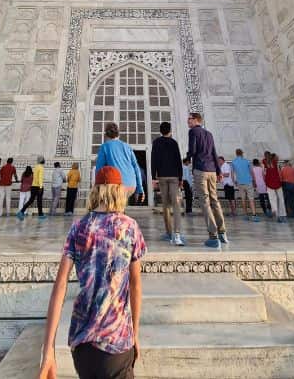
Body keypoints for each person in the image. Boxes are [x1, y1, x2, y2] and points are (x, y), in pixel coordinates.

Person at [37, 167, 145, 379]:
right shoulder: (129, 227)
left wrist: (48, 349)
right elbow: (135, 285)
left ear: (96, 191)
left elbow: (59, 288)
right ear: (118, 191)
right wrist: (135, 334)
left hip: (82, 345)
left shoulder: (79, 227)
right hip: (117, 342)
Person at [185, 112, 227, 249]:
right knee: (215, 200)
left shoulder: (193, 132)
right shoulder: (209, 134)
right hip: (212, 170)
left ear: (196, 120)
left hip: (201, 169)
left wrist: (186, 159)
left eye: (189, 119)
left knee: (205, 201)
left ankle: (213, 235)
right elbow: (214, 153)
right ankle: (222, 232)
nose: (188, 121)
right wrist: (219, 171)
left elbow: (193, 150)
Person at [151, 121, 184, 246]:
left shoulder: (156, 142)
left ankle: (169, 232)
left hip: (162, 176)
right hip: (174, 176)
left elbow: (154, 160)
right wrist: (181, 178)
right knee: (176, 204)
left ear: (160, 131)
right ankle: (177, 234)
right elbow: (178, 161)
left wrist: (154, 177)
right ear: (169, 131)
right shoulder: (174, 143)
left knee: (166, 205)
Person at [94, 123, 144, 204]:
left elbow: (99, 169)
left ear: (106, 135)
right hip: (131, 185)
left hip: (116, 185)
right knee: (120, 206)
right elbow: (136, 168)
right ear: (118, 134)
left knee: (112, 208)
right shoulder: (127, 146)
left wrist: (97, 187)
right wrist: (140, 189)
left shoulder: (105, 146)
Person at [230, 149, 258, 222]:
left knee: (243, 199)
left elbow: (232, 173)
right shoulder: (247, 161)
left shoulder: (233, 162)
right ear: (242, 153)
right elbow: (252, 172)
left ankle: (245, 215)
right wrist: (254, 181)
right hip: (248, 181)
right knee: (251, 199)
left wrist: (234, 182)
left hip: (240, 182)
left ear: (236, 154)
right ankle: (254, 215)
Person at [264, 153, 286, 223]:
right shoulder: (275, 162)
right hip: (277, 183)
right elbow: (279, 173)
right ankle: (283, 214)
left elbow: (263, 174)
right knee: (281, 198)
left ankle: (276, 213)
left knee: (272, 199)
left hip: (269, 183)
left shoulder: (263, 163)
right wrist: (281, 180)